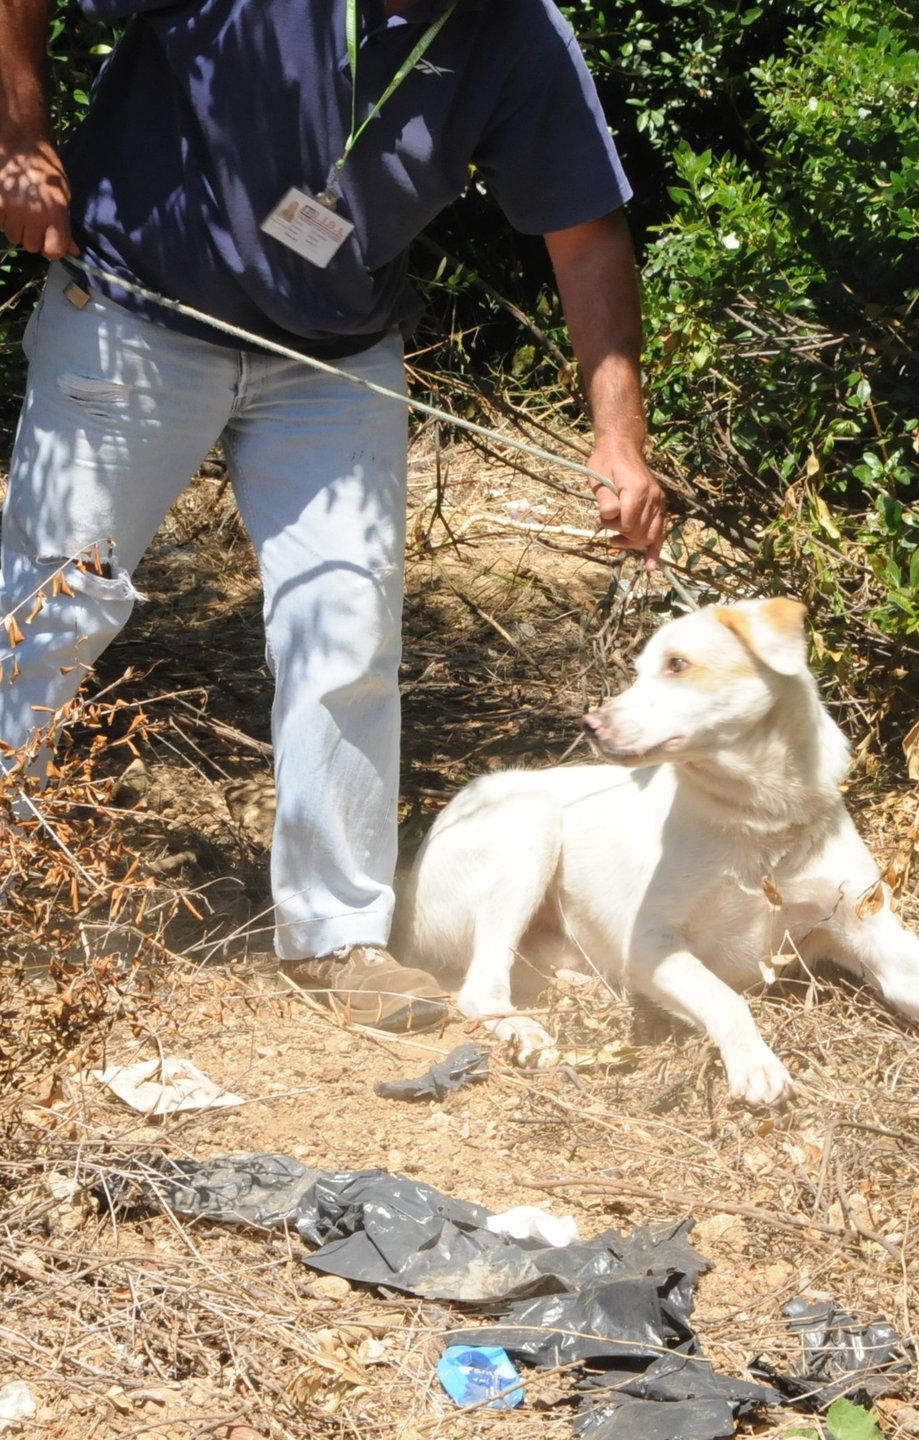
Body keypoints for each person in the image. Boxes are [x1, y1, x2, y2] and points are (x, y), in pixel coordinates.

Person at [0, 0, 667, 1031]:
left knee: (347, 630)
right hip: (133, 315)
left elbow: (585, 232)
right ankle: (11, 869)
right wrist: (20, 136)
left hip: (335, 355)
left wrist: (617, 436)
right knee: (52, 602)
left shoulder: (519, 34)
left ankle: (338, 934)